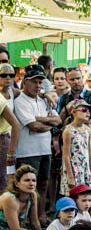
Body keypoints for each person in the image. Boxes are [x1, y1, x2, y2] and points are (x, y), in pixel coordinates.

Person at [13, 65, 60, 216]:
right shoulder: (20, 101)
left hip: (45, 149)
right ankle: (26, 217)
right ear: (25, 82)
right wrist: (49, 123)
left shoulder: (44, 101)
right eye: (34, 82)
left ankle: (40, 215)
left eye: (40, 82)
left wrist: (41, 119)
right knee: (26, 187)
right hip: (27, 151)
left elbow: (58, 120)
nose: (38, 85)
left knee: (43, 184)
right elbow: (33, 126)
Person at [60, 100, 91, 214]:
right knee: (74, 197)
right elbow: (66, 155)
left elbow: (89, 152)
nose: (87, 113)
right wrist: (70, 176)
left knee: (86, 197)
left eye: (89, 110)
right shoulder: (68, 131)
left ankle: (86, 220)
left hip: (85, 170)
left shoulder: (87, 129)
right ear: (74, 112)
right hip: (74, 170)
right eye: (84, 110)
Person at [0, 165, 43, 230]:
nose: (31, 183)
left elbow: (35, 222)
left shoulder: (32, 196)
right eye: (27, 180)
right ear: (17, 184)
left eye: (34, 180)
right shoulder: (9, 199)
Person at [0, 63, 23, 190]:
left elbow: (16, 125)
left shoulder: (11, 92)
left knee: (3, 178)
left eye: (11, 75)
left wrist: (12, 152)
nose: (8, 78)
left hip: (4, 139)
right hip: (5, 139)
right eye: (3, 75)